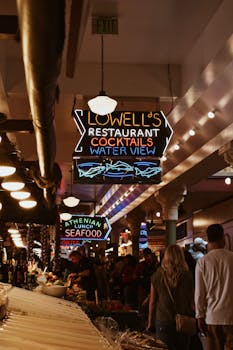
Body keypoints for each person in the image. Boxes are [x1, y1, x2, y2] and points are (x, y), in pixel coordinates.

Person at [148, 244, 194, 350]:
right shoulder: (187, 275)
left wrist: (150, 321)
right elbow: (191, 299)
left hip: (163, 320)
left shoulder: (157, 275)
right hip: (184, 320)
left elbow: (153, 301)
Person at [195, 223, 233, 350]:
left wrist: (200, 315)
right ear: (223, 238)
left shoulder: (203, 262)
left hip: (212, 318)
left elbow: (200, 293)